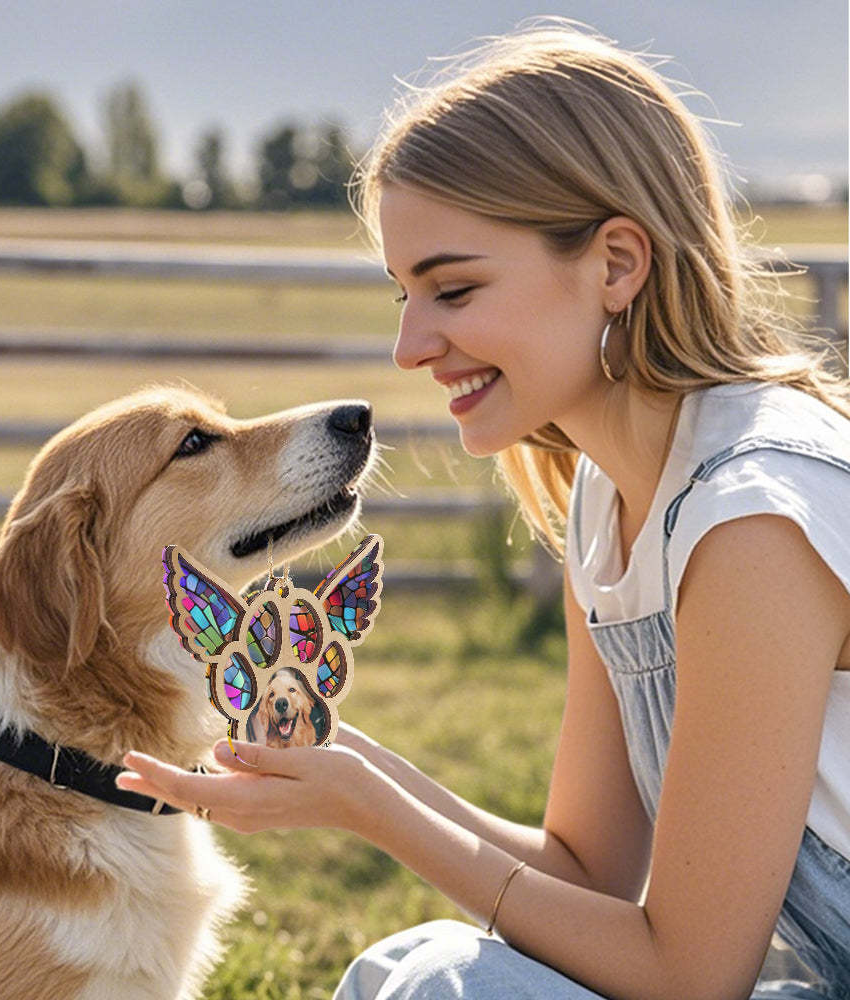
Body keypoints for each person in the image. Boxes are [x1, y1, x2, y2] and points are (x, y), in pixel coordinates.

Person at [116, 17, 850, 1000]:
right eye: (402, 298)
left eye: (452, 289)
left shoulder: (752, 518)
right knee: (410, 966)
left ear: (616, 265)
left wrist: (377, 811)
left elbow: (687, 974)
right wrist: (346, 766)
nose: (412, 347)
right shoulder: (611, 500)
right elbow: (586, 873)